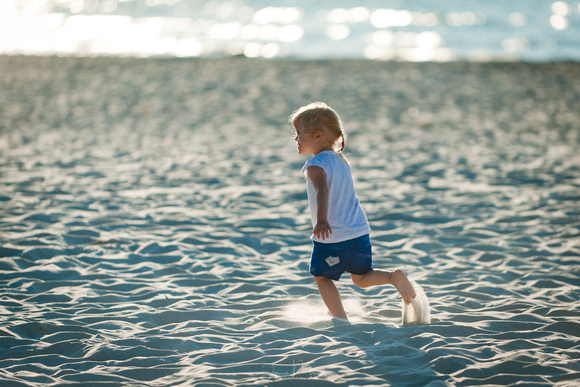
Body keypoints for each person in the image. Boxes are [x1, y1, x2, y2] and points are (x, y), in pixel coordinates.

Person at [290, 101, 416, 321]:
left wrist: (321, 220)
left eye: (300, 133)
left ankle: (341, 319)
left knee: (321, 276)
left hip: (332, 236)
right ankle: (393, 278)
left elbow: (323, 189)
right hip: (359, 232)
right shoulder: (341, 161)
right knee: (361, 277)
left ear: (318, 135)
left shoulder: (314, 165)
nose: (296, 138)